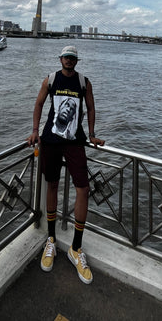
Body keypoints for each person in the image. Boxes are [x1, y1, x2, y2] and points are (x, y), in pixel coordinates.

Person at [27, 45, 105, 284]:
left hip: (75, 143)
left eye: (72, 58)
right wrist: (34, 131)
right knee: (51, 185)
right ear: (60, 59)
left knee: (83, 189)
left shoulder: (84, 82)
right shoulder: (50, 79)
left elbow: (90, 107)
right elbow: (39, 104)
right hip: (50, 140)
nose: (69, 60)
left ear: (76, 61)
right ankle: (50, 239)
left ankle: (76, 248)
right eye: (66, 57)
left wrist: (91, 134)